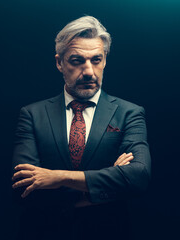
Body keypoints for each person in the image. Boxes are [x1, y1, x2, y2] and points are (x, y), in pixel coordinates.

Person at [11, 16, 151, 240]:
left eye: (96, 60)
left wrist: (58, 177)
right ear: (59, 63)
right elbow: (24, 188)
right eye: (77, 61)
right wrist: (108, 185)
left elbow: (137, 177)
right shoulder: (32, 115)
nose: (89, 71)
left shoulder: (129, 113)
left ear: (105, 60)